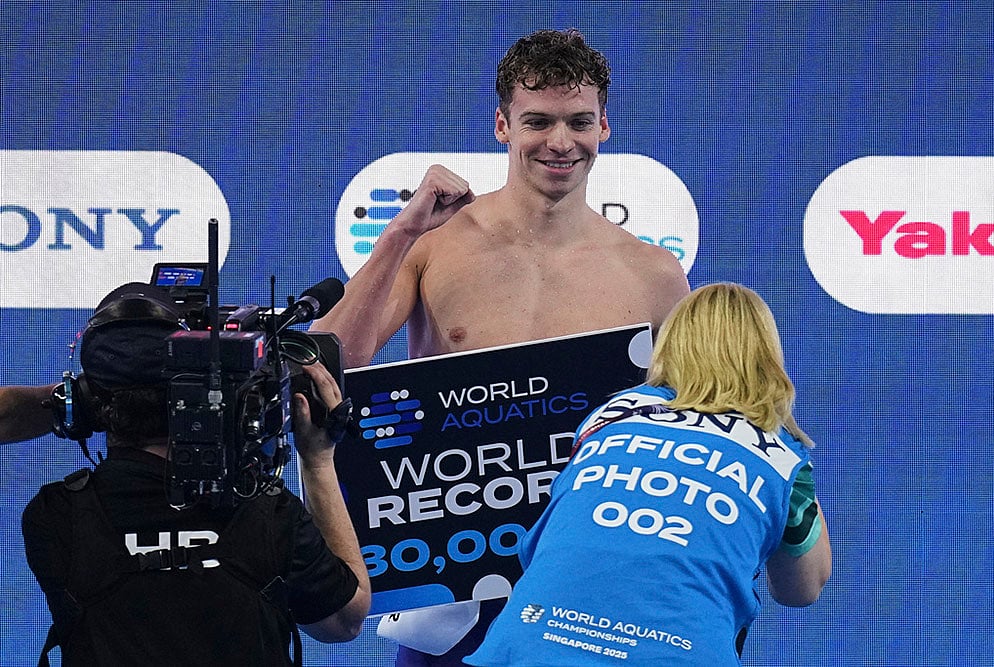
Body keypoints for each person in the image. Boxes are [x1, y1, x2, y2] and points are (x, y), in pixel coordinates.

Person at [310, 28, 690, 667]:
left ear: (605, 126)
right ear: (502, 126)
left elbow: (694, 422)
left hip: (585, 578)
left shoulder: (652, 274)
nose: (560, 142)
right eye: (537, 121)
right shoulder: (436, 243)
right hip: (451, 580)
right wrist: (400, 233)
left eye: (578, 122)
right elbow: (335, 361)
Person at [464, 283, 833, 666]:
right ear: (766, 358)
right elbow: (803, 588)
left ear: (671, 342)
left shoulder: (612, 414)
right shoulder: (780, 455)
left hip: (529, 643)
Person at [21, 283, 371, 666]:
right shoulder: (268, 514)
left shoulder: (54, 517)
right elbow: (343, 622)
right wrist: (318, 463)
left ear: (84, 405)